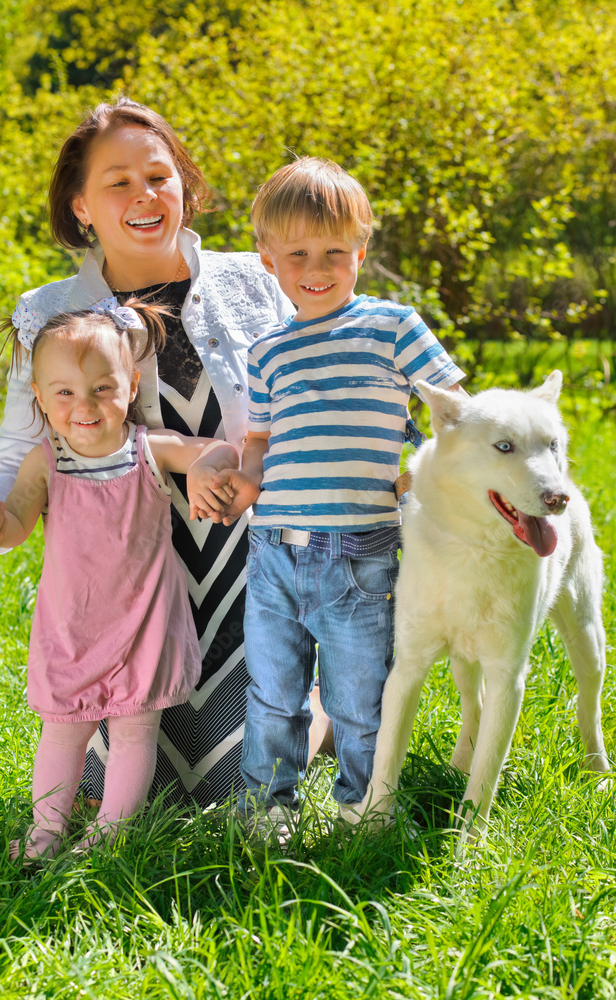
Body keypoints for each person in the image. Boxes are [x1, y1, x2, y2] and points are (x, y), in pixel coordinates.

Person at [0, 97, 335, 811]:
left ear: (184, 185)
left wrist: (250, 475)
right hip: (123, 581)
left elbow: (312, 416)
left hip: (253, 564)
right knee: (130, 786)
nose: (143, 196)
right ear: (81, 206)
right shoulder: (46, 310)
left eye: (158, 176)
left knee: (226, 786)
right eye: (117, 182)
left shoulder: (257, 281)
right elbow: (19, 447)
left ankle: (320, 697)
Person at [211, 157, 466, 824]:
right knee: (271, 693)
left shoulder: (391, 326)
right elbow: (262, 441)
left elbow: (451, 410)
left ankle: (364, 805)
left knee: (358, 696)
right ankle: (270, 810)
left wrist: (430, 467)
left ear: (360, 249)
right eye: (297, 253)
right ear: (268, 261)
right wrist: (244, 483)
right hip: (271, 551)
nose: (315, 268)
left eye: (333, 251)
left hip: (359, 549)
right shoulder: (267, 352)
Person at [0, 303, 238, 859]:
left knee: (134, 732)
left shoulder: (147, 449)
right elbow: (13, 526)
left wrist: (206, 465)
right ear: (39, 395)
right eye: (64, 393)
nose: (85, 405)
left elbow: (213, 449)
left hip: (143, 622)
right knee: (62, 730)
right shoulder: (46, 460)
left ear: (130, 386)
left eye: (102, 388)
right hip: (71, 626)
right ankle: (45, 833)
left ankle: (110, 838)